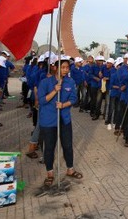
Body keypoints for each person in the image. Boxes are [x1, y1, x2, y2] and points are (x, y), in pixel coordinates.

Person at [38, 55, 82, 187]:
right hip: (49, 120)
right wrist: (54, 91)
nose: (65, 70)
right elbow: (41, 101)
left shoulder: (70, 82)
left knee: (67, 145)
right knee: (49, 147)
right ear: (55, 68)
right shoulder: (45, 82)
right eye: (62, 67)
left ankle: (70, 169)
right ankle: (50, 173)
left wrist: (64, 105)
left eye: (67, 67)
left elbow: (74, 99)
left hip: (64, 119)